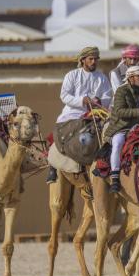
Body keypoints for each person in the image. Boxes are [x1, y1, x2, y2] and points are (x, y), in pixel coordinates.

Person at [46, 46, 113, 184]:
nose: (94, 61)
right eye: (91, 59)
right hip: (73, 113)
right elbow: (64, 95)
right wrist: (82, 100)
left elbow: (108, 96)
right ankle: (52, 166)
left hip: (96, 114)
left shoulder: (102, 78)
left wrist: (100, 101)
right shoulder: (72, 75)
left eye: (96, 59)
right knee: (62, 134)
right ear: (83, 60)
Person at [103, 65, 139, 193]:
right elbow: (119, 111)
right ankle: (115, 177)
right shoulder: (121, 91)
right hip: (122, 128)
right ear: (130, 77)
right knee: (117, 143)